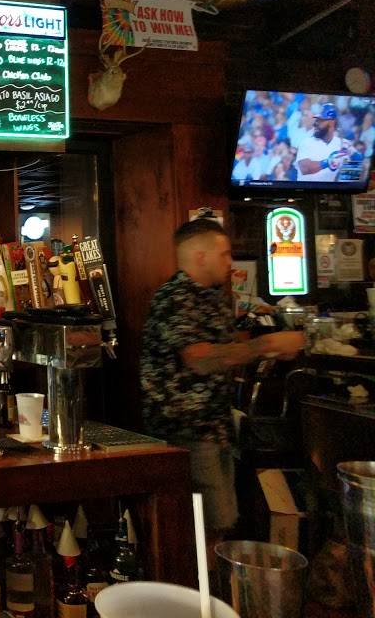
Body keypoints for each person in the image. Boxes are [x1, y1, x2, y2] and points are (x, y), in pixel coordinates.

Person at [139, 218, 304, 558]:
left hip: (213, 427)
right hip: (186, 431)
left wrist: (264, 348)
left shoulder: (209, 297)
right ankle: (202, 589)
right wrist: (267, 344)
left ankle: (209, 586)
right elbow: (199, 359)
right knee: (210, 525)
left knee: (218, 524)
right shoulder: (175, 297)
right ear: (200, 256)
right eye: (225, 254)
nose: (230, 262)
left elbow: (219, 353)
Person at [295, 102, 351, 182]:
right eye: (316, 120)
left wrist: (355, 156)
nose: (315, 124)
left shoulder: (342, 144)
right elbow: (305, 169)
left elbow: (349, 179)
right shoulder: (307, 142)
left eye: (321, 120)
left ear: (332, 122)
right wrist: (328, 161)